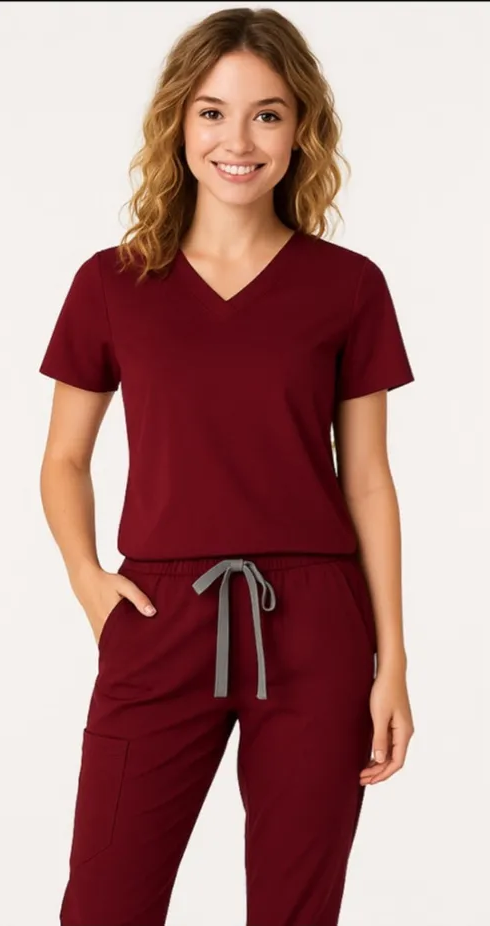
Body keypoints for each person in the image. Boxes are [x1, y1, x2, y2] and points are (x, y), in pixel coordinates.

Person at [39, 7, 416, 926]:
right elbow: (65, 458)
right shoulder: (111, 282)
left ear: (300, 129)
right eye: (212, 112)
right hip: (158, 614)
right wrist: (89, 580)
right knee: (104, 902)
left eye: (266, 114)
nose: (237, 141)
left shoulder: (348, 285)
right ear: (177, 123)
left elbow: (368, 479)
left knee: (295, 909)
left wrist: (392, 661)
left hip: (315, 622)